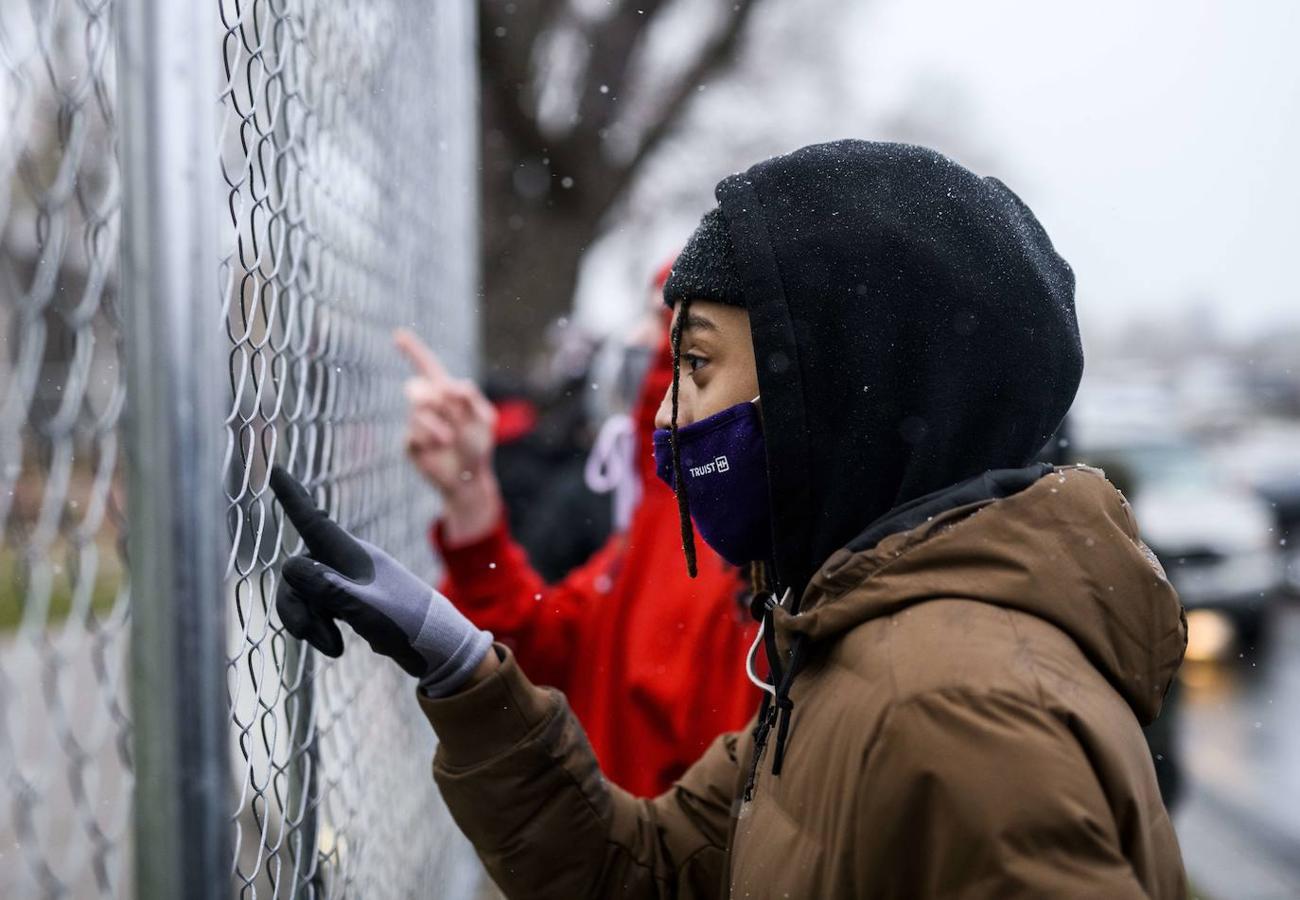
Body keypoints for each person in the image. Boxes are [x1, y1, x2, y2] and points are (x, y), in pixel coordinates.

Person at [272, 140, 1188, 898]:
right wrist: (453, 654)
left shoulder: (952, 708)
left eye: (694, 363)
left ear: (830, 394)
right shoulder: (835, 637)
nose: (665, 405)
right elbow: (645, 870)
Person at [391, 268, 757, 798]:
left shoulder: (724, 538)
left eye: (664, 325)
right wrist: (471, 499)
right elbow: (546, 646)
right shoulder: (667, 514)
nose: (632, 342)